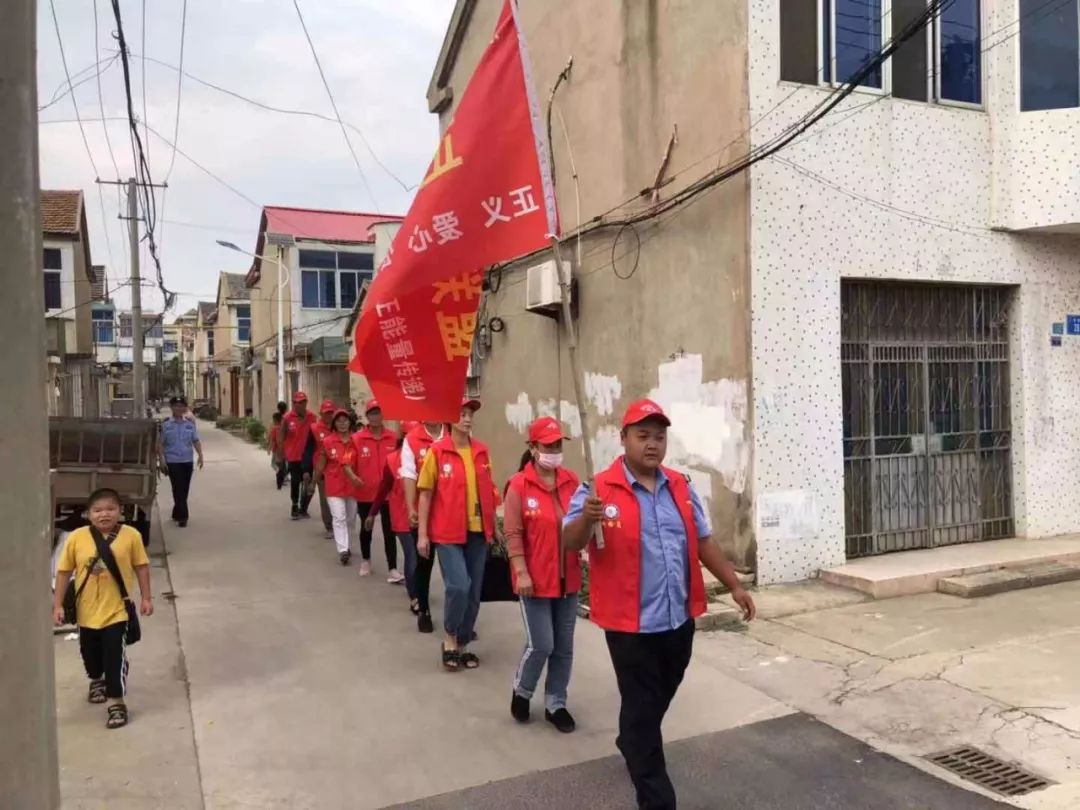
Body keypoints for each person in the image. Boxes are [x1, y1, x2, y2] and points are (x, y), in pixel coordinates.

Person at [563, 399, 756, 810]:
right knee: (643, 711)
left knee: (655, 700)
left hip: (677, 619)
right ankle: (656, 797)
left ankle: (632, 737)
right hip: (629, 626)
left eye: (659, 436)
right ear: (624, 440)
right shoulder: (597, 489)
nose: (652, 444)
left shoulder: (680, 487)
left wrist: (734, 585)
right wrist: (587, 519)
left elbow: (702, 541)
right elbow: (570, 542)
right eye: (643, 435)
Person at [52, 488, 154, 729]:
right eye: (97, 510)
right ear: (88, 514)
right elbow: (64, 572)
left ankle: (116, 702)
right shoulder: (77, 537)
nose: (104, 515)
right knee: (90, 656)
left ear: (121, 511)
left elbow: (141, 567)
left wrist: (146, 597)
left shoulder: (131, 536)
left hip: (116, 610)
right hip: (86, 611)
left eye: (110, 509)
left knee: (114, 657)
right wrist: (57, 605)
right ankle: (96, 679)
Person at [504, 417, 581, 734]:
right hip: (533, 580)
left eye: (558, 445)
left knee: (564, 647)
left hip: (568, 579)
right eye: (548, 445)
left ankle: (555, 703)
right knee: (541, 644)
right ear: (533, 448)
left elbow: (579, 524)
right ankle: (522, 691)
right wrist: (521, 571)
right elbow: (512, 533)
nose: (554, 451)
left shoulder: (571, 481)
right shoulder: (519, 486)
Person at [417, 398, 498, 671]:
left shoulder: (482, 452)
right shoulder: (437, 452)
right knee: (458, 586)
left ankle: (463, 644)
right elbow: (425, 494)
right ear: (450, 420)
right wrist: (423, 535)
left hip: (478, 532)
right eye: (462, 414)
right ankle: (450, 637)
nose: (467, 419)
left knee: (474, 592)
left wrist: (494, 527)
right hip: (447, 533)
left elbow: (489, 490)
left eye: (470, 414)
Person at [398, 419, 446, 634]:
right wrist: (411, 508)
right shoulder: (412, 439)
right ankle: (424, 610)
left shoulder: (453, 434)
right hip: (424, 512)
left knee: (454, 570)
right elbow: (409, 475)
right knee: (424, 563)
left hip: (450, 512)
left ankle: (459, 617)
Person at [367, 423, 419, 612]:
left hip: (424, 516)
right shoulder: (392, 460)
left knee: (422, 557)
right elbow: (384, 488)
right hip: (402, 517)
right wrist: (372, 513)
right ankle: (414, 597)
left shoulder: (427, 455)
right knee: (412, 555)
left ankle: (419, 589)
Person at [353, 399, 401, 581]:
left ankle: (393, 568)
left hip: (388, 493)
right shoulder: (357, 439)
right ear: (367, 417)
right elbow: (349, 461)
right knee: (367, 528)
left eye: (378, 413)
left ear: (383, 415)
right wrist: (353, 477)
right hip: (366, 493)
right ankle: (366, 560)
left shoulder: (392, 437)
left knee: (390, 531)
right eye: (372, 413)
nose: (375, 417)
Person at [313, 409, 363, 565]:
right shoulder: (328, 441)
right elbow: (321, 463)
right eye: (339, 421)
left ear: (350, 422)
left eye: (345, 420)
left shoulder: (356, 440)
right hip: (334, 486)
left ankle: (347, 544)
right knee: (339, 517)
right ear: (334, 424)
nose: (342, 423)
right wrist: (313, 482)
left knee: (350, 519)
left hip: (352, 487)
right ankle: (343, 549)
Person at [158, 395, 204, 527]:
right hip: (172, 461)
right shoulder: (166, 425)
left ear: (185, 408)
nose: (179, 408)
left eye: (182, 406)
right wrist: (161, 460)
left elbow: (195, 440)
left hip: (187, 461)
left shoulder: (189, 424)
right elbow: (160, 444)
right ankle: (183, 517)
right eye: (176, 406)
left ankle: (176, 512)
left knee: (184, 489)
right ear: (172, 408)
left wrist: (200, 455)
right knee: (178, 488)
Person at [282, 391, 317, 520]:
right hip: (293, 456)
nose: (298, 405)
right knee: (296, 481)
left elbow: (316, 435)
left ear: (305, 403)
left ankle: (304, 507)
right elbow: (282, 435)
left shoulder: (312, 417)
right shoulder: (287, 418)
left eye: (301, 402)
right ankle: (295, 505)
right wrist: (282, 454)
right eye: (296, 403)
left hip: (308, 456)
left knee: (308, 482)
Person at [313, 399, 337, 539]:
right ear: (320, 413)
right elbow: (309, 450)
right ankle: (329, 525)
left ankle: (339, 524)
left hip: (337, 470)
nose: (329, 415)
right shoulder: (314, 428)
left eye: (331, 413)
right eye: (326, 413)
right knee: (325, 499)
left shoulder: (339, 427)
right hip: (322, 470)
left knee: (338, 499)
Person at [268, 412, 286, 490]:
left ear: (275, 420)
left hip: (276, 449)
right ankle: (283, 477)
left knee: (273, 464)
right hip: (284, 449)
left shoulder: (274, 429)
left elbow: (272, 440)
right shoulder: (284, 429)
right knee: (282, 464)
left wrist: (269, 448)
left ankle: (279, 472)